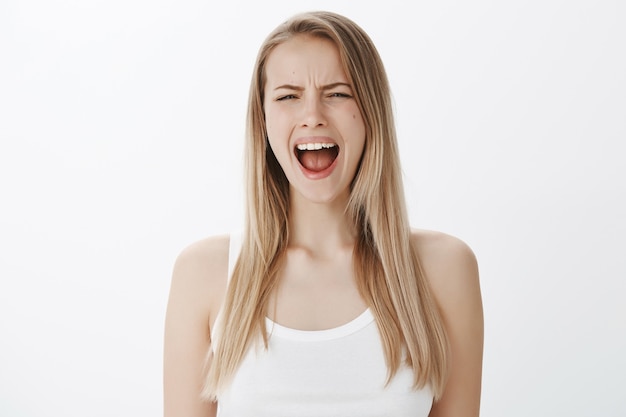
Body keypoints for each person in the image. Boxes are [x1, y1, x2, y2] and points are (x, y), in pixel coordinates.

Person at [163, 10, 483, 417]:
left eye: (337, 93)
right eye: (287, 96)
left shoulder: (444, 269)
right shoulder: (204, 274)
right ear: (262, 122)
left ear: (371, 113)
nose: (312, 114)